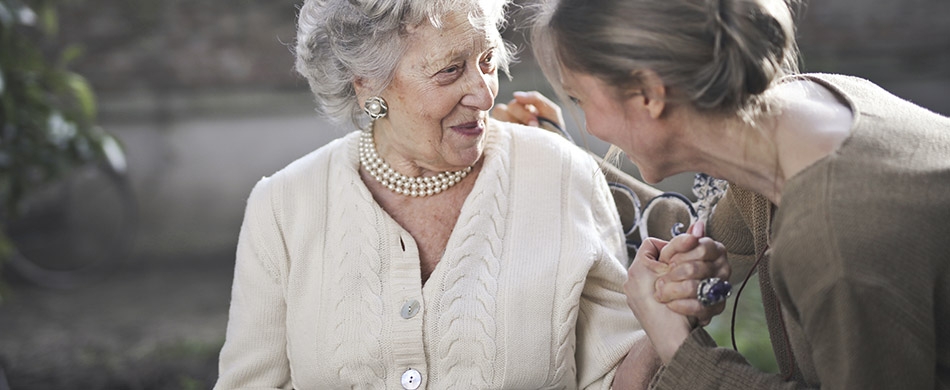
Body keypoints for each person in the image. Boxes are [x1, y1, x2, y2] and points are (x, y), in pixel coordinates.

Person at [213, 0, 730, 388]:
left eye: (486, 60)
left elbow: (614, 377)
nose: (485, 94)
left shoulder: (559, 175)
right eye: (450, 70)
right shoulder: (282, 207)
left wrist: (668, 308)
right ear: (366, 84)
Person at [524, 0, 950, 388]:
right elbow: (705, 234)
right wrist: (555, 154)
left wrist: (680, 350)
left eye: (581, 99)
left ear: (648, 94)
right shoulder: (804, 109)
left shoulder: (835, 241)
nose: (591, 127)